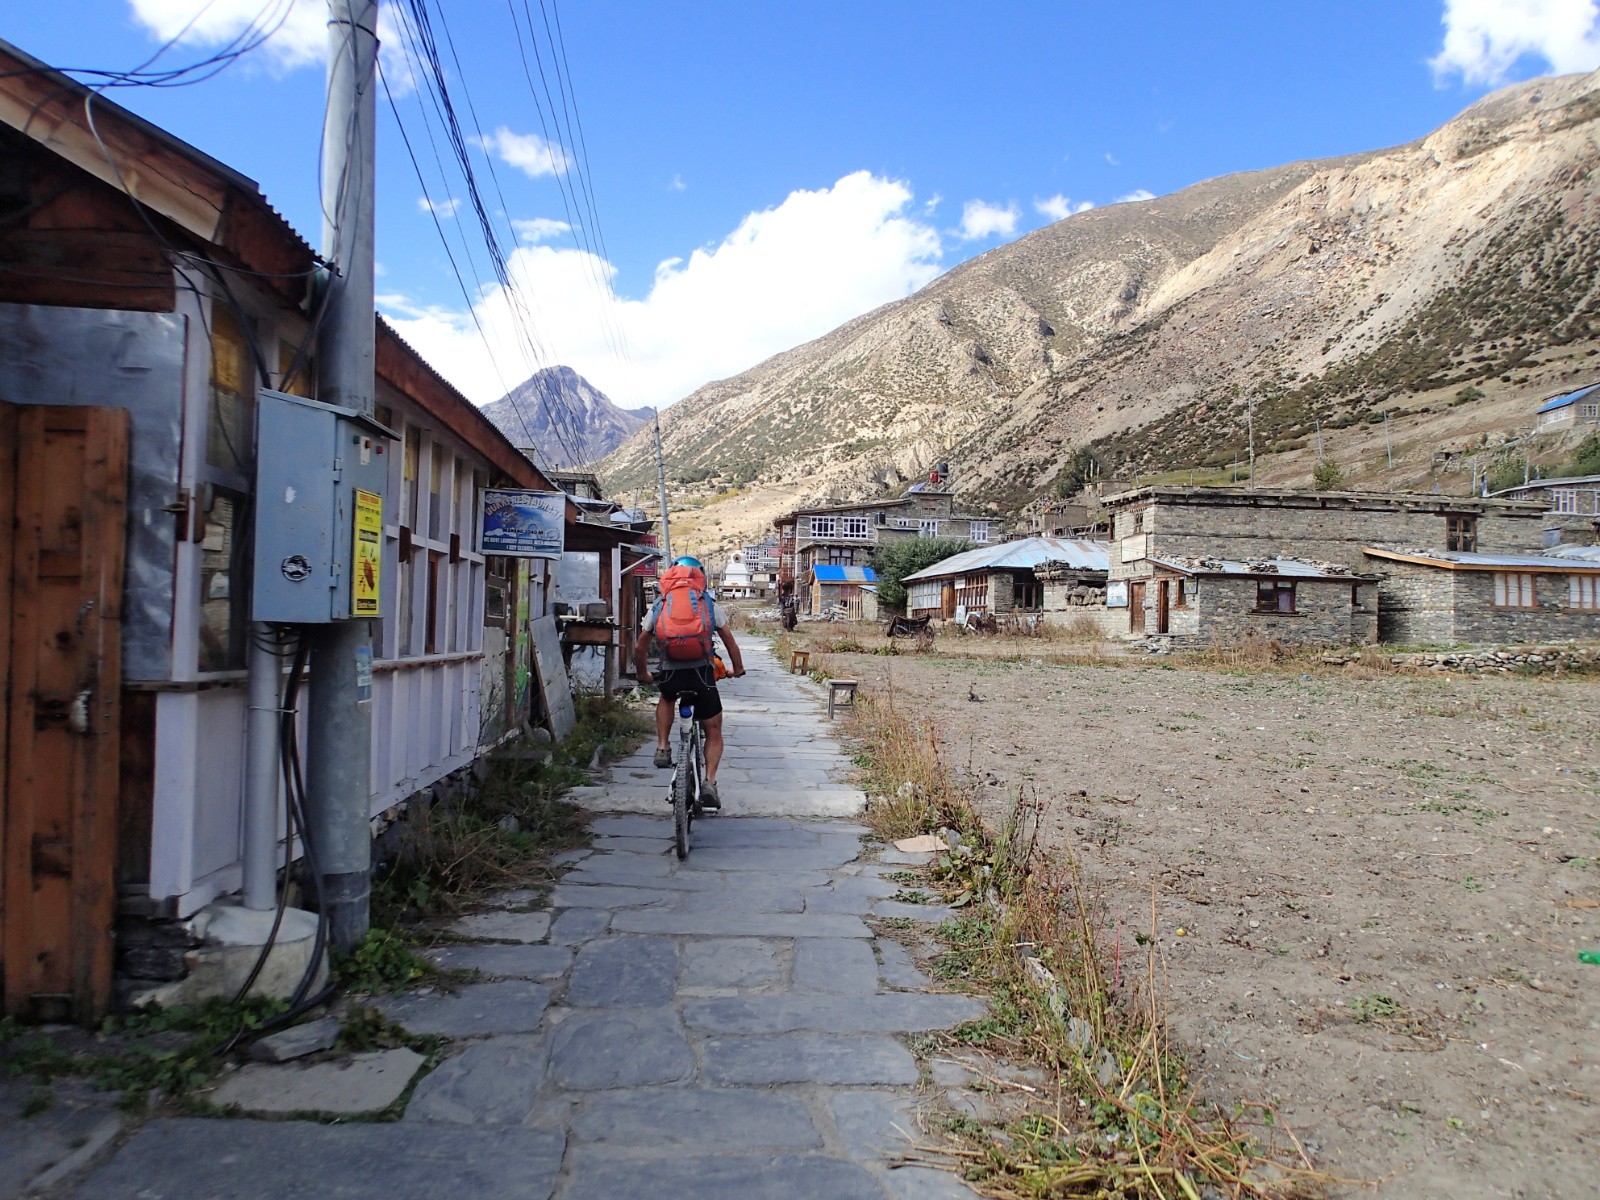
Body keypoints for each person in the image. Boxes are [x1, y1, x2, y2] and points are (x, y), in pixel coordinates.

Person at [635, 556, 745, 809]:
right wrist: (737, 669)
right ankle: (709, 782)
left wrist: (643, 674)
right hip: (702, 674)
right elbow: (730, 643)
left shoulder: (661, 604)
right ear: (701, 576)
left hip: (671, 673)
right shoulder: (708, 603)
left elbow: (641, 645)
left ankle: (663, 747)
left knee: (666, 697)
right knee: (714, 731)